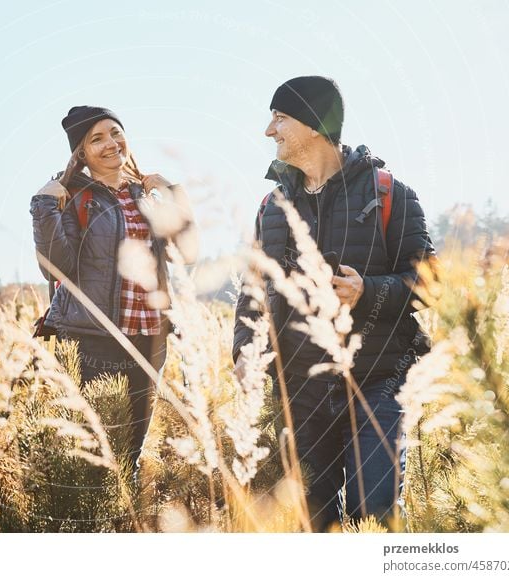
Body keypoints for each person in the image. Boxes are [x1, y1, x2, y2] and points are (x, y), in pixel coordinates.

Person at [232, 76, 435, 531]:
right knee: (314, 523)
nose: (269, 130)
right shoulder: (272, 205)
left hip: (378, 383)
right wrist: (244, 352)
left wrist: (371, 291)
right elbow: (252, 290)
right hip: (300, 391)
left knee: (374, 519)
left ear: (314, 122)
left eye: (279, 117)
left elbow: (430, 279)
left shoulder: (389, 194)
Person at [31, 105, 197, 473]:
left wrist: (174, 195)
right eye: (97, 138)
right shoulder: (73, 195)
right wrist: (44, 205)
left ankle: (124, 526)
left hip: (150, 338)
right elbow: (53, 268)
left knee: (130, 456)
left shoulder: (144, 195)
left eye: (115, 132)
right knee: (92, 454)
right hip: (94, 340)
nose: (111, 143)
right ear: (81, 152)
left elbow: (187, 252)